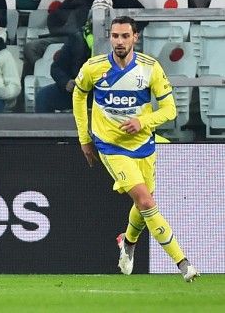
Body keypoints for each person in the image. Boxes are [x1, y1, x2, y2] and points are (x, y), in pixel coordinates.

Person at [72, 16, 200, 282]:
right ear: (110, 38)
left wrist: (142, 121)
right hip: (111, 146)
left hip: (143, 144)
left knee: (143, 204)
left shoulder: (150, 68)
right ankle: (183, 263)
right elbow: (78, 94)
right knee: (145, 201)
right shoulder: (94, 68)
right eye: (115, 36)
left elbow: (170, 110)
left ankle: (128, 242)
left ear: (135, 38)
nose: (120, 41)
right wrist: (84, 137)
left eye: (125, 36)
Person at [25, 0, 143, 95]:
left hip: (106, 40)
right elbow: (57, 18)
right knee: (32, 48)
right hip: (72, 37)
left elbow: (141, 17)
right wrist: (69, 26)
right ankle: (50, 80)